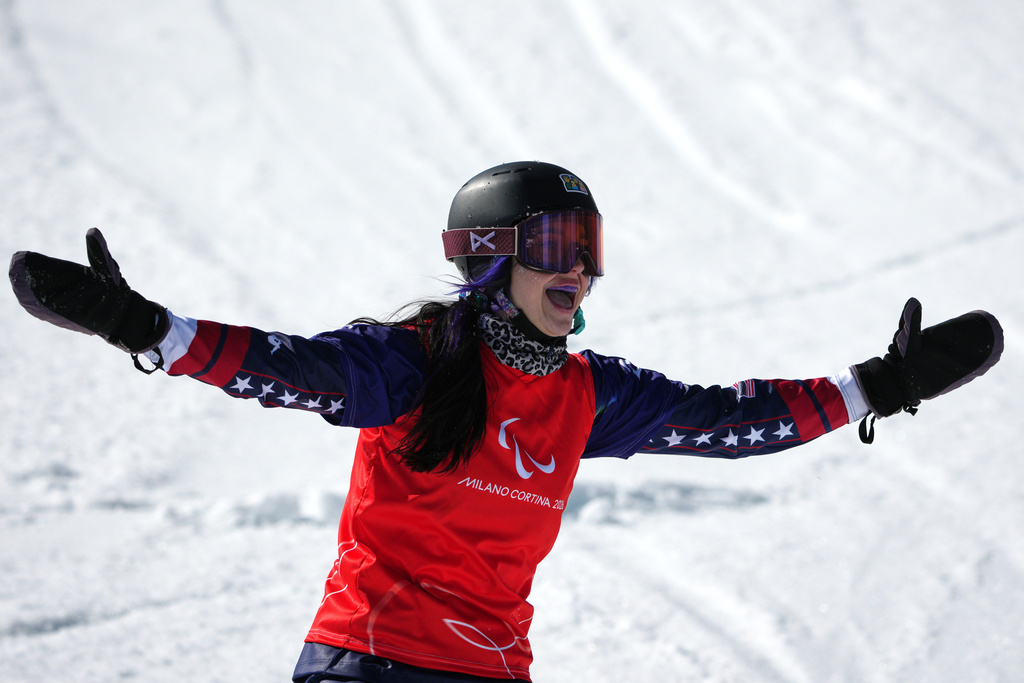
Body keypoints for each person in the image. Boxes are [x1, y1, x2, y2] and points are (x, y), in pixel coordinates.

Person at [9, 161, 1004, 682]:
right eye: (558, 245)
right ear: (490, 254)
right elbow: (287, 368)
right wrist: (147, 327)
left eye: (590, 246)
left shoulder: (588, 393)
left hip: (488, 670)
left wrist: (876, 385)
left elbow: (726, 420)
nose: (581, 271)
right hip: (369, 661)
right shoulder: (414, 361)